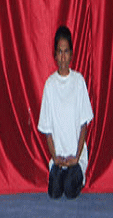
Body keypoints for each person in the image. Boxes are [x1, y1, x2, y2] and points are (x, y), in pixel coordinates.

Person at [37, 25, 94, 200]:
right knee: (54, 192)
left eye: (66, 51)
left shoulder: (78, 82)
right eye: (59, 52)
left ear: (71, 54)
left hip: (75, 157)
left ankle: (77, 174)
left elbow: (84, 125)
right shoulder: (50, 85)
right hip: (59, 158)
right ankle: (59, 172)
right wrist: (55, 157)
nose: (63, 56)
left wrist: (76, 157)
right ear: (55, 55)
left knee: (70, 190)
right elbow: (47, 130)